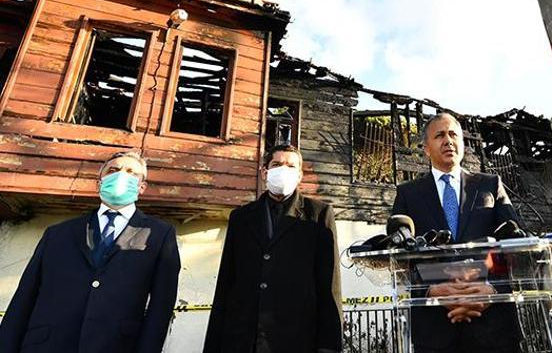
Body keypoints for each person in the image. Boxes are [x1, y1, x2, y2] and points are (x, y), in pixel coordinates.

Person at [0, 151, 181, 353]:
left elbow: (161, 307)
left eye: (131, 172)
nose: (121, 175)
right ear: (99, 183)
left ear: (141, 187)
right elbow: (24, 297)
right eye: (113, 170)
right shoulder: (57, 234)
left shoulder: (159, 235)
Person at [392, 113, 521, 353]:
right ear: (426, 148)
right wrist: (429, 290)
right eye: (440, 135)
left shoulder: (490, 184)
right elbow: (401, 258)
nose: (448, 141)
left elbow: (514, 245)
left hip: (494, 327)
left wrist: (492, 290)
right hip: (435, 329)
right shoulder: (408, 194)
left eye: (454, 134)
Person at [203, 144, 342, 353]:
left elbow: (329, 286)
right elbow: (226, 282)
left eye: (290, 166)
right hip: (241, 340)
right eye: (277, 164)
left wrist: (329, 346)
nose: (283, 170)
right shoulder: (241, 218)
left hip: (296, 340)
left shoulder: (319, 215)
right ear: (264, 172)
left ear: (300, 175)